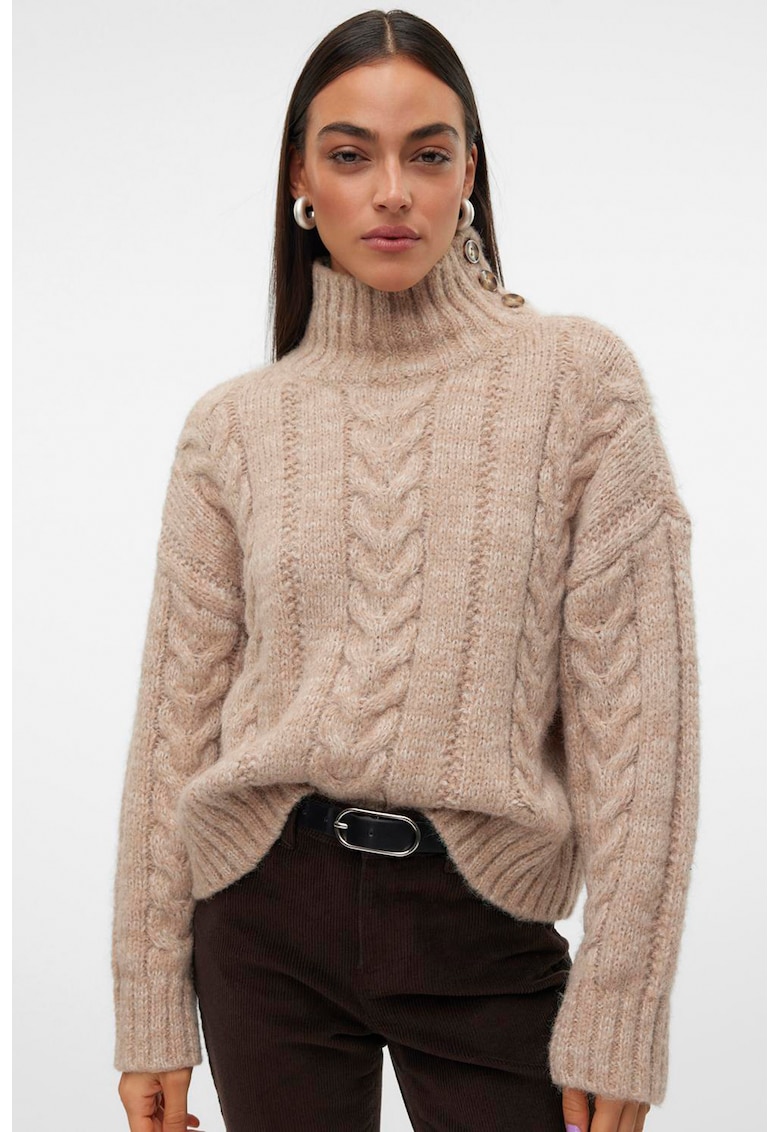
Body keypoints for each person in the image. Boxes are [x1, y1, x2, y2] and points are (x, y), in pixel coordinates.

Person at [111, 9, 700, 1132]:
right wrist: (149, 1007)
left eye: (427, 154)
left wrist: (622, 1008)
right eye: (350, 154)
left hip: (483, 926)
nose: (392, 191)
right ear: (300, 178)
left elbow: (639, 735)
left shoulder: (581, 385)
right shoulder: (231, 429)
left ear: (469, 172)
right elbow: (172, 731)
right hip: (262, 924)